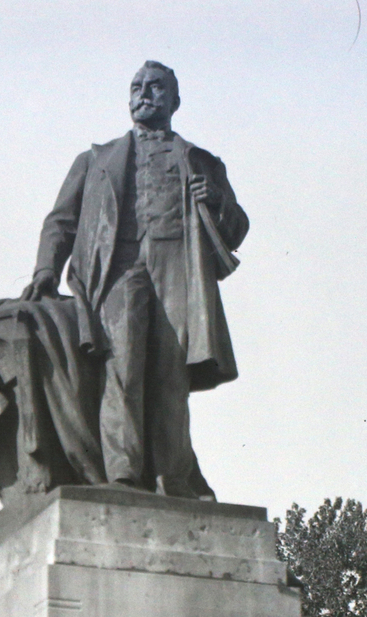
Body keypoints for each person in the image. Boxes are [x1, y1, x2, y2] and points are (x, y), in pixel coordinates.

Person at [22, 61, 248, 500]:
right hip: (117, 271)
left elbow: (237, 229)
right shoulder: (95, 160)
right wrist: (46, 270)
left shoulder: (201, 162)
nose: (145, 94)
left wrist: (216, 200)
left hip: (177, 272)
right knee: (121, 368)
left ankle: (172, 481)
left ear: (175, 101)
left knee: (170, 378)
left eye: (156, 87)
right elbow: (60, 222)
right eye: (137, 87)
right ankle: (124, 476)